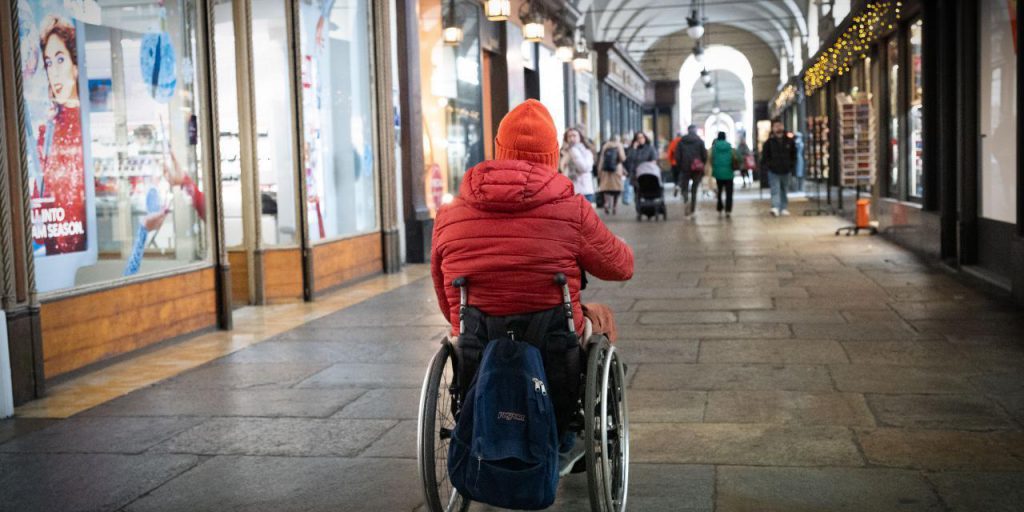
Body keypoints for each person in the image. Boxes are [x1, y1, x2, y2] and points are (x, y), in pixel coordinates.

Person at [432, 99, 633, 341]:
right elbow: (621, 268)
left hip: (475, 340)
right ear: (552, 156)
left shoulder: (449, 213)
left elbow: (443, 293)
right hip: (555, 342)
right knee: (603, 316)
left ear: (499, 150)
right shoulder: (573, 209)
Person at [34, 16, 87, 255]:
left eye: (60, 59)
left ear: (75, 66)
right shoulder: (47, 130)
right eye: (48, 63)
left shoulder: (85, 125)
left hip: (83, 252)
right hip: (54, 253)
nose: (54, 72)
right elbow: (38, 199)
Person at [760, 119, 797, 216]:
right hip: (773, 171)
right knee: (775, 189)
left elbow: (794, 154)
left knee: (784, 189)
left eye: (780, 126)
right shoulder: (769, 143)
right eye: (776, 126)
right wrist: (769, 165)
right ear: (773, 128)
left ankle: (783, 207)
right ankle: (775, 207)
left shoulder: (789, 141)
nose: (778, 128)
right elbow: (765, 156)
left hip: (786, 169)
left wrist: (791, 165)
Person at [674, 124, 707, 216]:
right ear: (695, 131)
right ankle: (692, 208)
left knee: (684, 187)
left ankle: (686, 200)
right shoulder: (700, 141)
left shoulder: (681, 141)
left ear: (688, 131)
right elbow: (704, 155)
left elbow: (677, 156)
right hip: (697, 168)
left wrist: (680, 165)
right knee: (694, 188)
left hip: (685, 167)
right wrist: (701, 163)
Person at [560, 128, 596, 203]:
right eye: (569, 136)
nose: (572, 138)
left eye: (574, 135)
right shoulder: (562, 153)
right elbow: (560, 169)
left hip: (584, 190)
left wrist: (573, 151)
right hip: (567, 191)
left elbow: (584, 168)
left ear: (580, 138)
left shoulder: (586, 152)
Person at [597, 135, 627, 215]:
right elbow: (623, 158)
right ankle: (614, 206)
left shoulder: (605, 145)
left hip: (605, 170)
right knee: (616, 189)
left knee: (605, 188)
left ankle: (606, 203)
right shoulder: (619, 145)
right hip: (617, 169)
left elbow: (601, 158)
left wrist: (599, 171)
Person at [710, 132, 736, 217]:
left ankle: (720, 207)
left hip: (718, 173)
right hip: (729, 173)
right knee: (729, 192)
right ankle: (728, 210)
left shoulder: (714, 148)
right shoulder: (730, 147)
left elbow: (710, 158)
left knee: (719, 191)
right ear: (725, 137)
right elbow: (737, 157)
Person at [665, 132, 683, 198]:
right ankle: (679, 186)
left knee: (675, 176)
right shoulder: (683, 142)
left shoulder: (673, 142)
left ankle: (676, 185)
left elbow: (669, 153)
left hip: (674, 163)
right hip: (682, 163)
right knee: (681, 176)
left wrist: (670, 161)